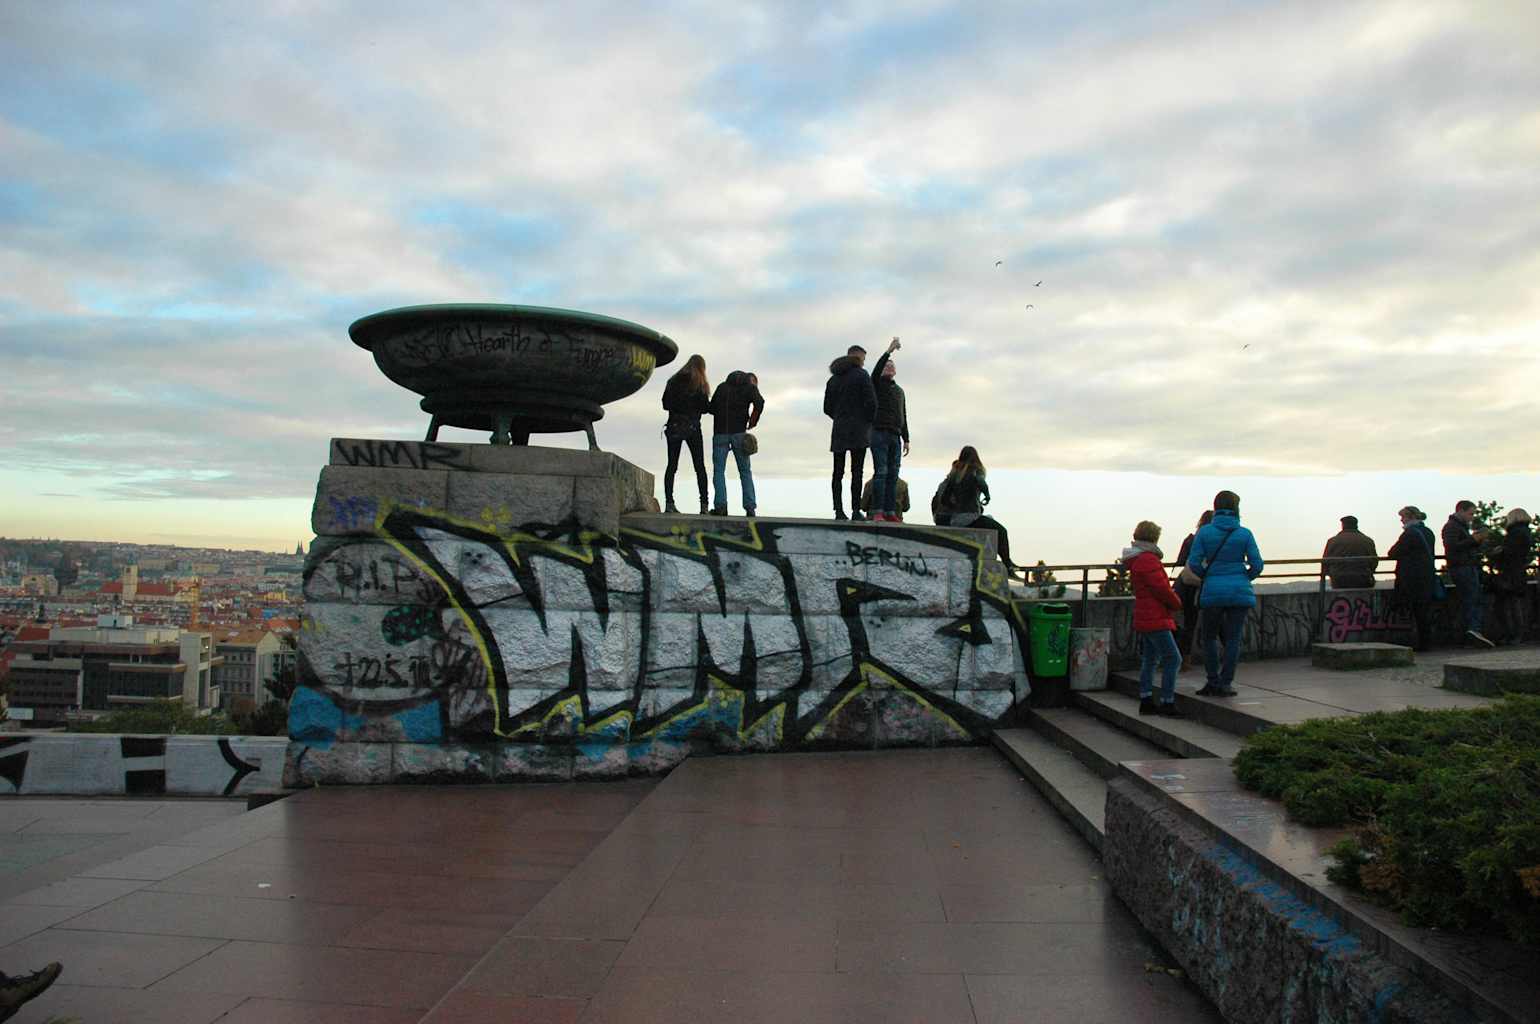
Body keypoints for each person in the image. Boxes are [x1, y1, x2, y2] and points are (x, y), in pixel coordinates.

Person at [1186, 490, 1264, 697]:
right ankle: (1226, 683)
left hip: (1213, 591)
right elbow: (1257, 564)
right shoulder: (1244, 533)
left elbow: (1194, 562)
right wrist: (1245, 577)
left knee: (1210, 637)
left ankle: (1212, 681)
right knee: (1233, 638)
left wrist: (1207, 575)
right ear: (1236, 509)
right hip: (1239, 591)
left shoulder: (1205, 533)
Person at [933, 446, 1026, 578]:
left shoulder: (955, 474)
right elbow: (981, 482)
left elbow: (944, 499)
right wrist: (987, 495)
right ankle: (1008, 565)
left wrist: (956, 506)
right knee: (1001, 530)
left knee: (990, 522)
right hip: (971, 518)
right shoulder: (975, 470)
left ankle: (1007, 563)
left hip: (956, 519)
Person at [1123, 521, 1185, 717]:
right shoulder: (1149, 560)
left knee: (1150, 659)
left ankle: (1146, 698)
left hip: (1145, 615)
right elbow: (1161, 589)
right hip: (1155, 616)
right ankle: (1167, 701)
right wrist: (1176, 602)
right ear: (1154, 537)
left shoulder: (1136, 559)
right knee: (1173, 658)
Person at [823, 344, 877, 521]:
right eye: (863, 359)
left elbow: (827, 408)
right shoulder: (862, 375)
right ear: (858, 357)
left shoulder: (833, 379)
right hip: (859, 429)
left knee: (838, 472)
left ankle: (838, 510)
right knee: (857, 471)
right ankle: (855, 510)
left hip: (839, 428)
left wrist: (839, 417)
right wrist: (867, 421)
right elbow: (871, 402)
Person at [708, 370, 764, 517]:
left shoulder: (722, 387)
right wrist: (752, 421)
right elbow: (760, 403)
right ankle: (750, 508)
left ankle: (721, 507)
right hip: (740, 433)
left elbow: (711, 408)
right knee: (745, 471)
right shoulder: (749, 388)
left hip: (720, 433)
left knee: (719, 471)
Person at [660, 354, 711, 515]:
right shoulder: (700, 384)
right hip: (693, 428)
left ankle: (669, 503)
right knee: (699, 467)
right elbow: (704, 407)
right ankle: (704, 506)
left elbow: (665, 404)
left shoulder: (673, 381)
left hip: (675, 425)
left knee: (672, 466)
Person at [1442, 500, 1495, 647]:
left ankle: (1471, 631)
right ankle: (1473, 630)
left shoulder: (1457, 526)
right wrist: (1473, 539)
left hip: (1465, 566)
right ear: (1461, 511)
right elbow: (1452, 547)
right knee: (1472, 598)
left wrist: (1476, 541)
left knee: (1471, 599)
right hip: (1462, 567)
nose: (1472, 517)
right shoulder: (1452, 527)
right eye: (1470, 513)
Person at [868, 336, 910, 523]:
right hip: (879, 432)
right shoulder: (876, 384)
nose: (889, 367)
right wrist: (889, 351)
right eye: (887, 365)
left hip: (895, 435)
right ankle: (878, 510)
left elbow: (904, 415)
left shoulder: (899, 391)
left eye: (892, 365)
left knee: (893, 475)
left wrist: (906, 438)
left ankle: (890, 510)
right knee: (881, 472)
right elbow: (876, 372)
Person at [1387, 505, 1438, 651]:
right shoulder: (1428, 532)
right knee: (1423, 612)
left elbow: (1393, 553)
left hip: (1412, 578)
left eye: (1403, 517)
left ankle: (1421, 644)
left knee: (1416, 611)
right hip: (1427, 576)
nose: (1402, 521)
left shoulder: (1410, 534)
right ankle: (1425, 642)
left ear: (1410, 517)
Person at [1172, 510, 1213, 670]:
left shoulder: (1190, 539)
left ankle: (1181, 659)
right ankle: (1186, 660)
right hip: (1199, 585)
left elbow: (1181, 562)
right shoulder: (1210, 540)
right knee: (1192, 622)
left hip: (1183, 584)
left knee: (1181, 623)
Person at [1492, 508, 1533, 645]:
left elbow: (1509, 553)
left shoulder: (1514, 533)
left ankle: (1513, 634)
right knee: (1516, 605)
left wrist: (1498, 552)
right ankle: (1518, 634)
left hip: (1510, 573)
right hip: (1519, 572)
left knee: (1508, 606)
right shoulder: (1526, 532)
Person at [1322, 515, 1378, 589]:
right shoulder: (1368, 541)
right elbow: (1374, 561)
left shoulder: (1333, 541)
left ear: (1343, 525)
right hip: (1363, 579)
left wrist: (1330, 574)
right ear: (1356, 525)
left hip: (1339, 580)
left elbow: (1325, 561)